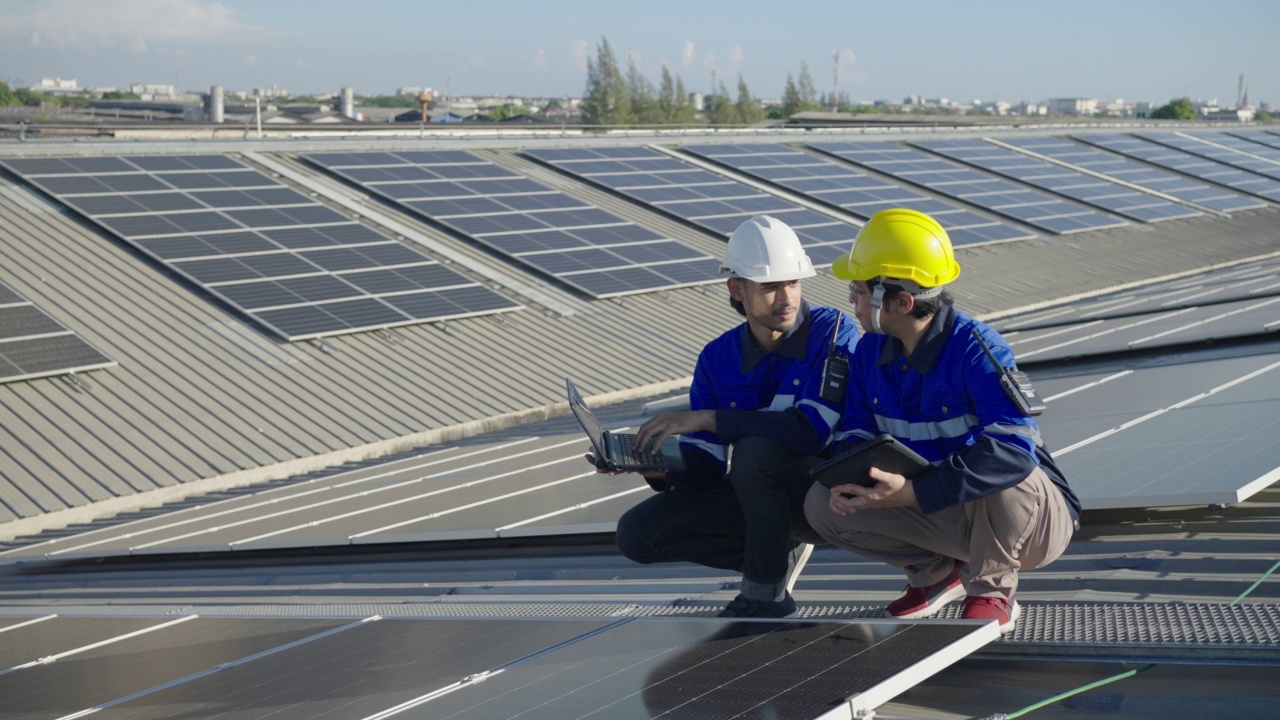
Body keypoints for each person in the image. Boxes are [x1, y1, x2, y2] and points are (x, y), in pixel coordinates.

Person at [803, 208, 1080, 633]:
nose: (851, 303)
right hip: (943, 509)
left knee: (1006, 469)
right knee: (822, 505)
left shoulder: (977, 348)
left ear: (900, 301)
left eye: (858, 291)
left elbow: (1013, 451)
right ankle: (935, 574)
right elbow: (855, 430)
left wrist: (915, 491)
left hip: (1030, 524)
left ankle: (992, 588)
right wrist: (855, 477)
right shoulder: (868, 354)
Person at [604, 214, 859, 618]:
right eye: (771, 287)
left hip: (827, 497)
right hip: (760, 500)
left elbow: (811, 432)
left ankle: (764, 595)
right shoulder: (717, 358)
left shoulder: (834, 332)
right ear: (737, 289)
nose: (787, 298)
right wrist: (651, 465)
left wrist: (710, 419)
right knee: (637, 535)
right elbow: (705, 469)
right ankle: (771, 552)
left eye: (793, 283)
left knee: (755, 450)